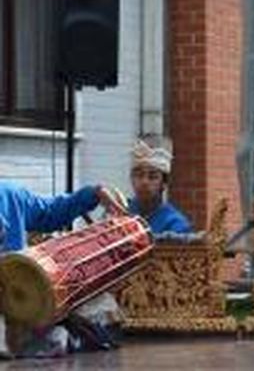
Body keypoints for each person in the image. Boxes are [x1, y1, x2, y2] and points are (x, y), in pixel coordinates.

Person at [0, 180, 122, 357]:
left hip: (23, 297)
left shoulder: (8, 194)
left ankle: (57, 338)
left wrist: (95, 193)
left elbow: (52, 212)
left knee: (101, 305)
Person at [127, 135, 192, 234]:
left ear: (164, 183)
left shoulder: (176, 224)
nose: (144, 182)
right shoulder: (122, 213)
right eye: (139, 175)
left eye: (152, 177)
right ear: (131, 178)